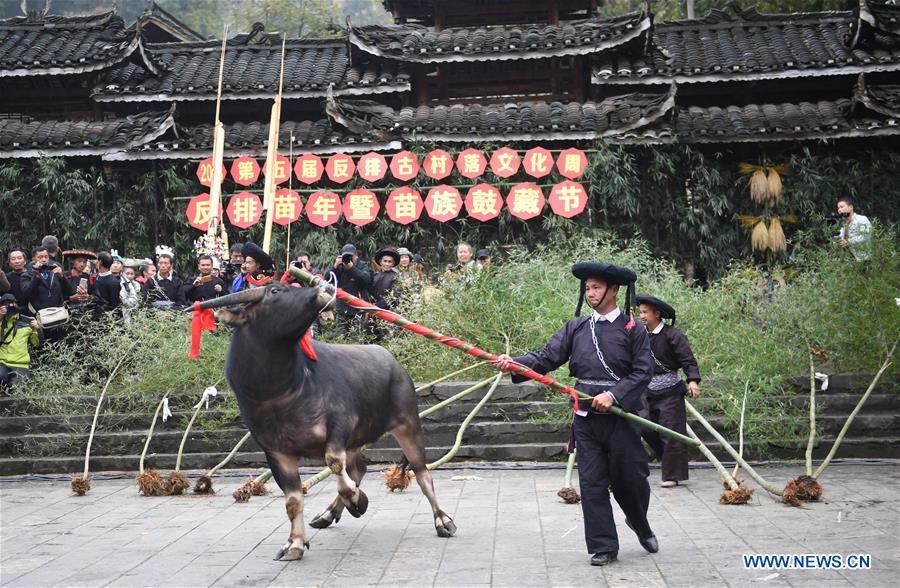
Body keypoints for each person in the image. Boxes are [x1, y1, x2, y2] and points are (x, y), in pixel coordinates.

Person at [494, 262, 656, 567]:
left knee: (631, 480)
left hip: (623, 417)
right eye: (588, 288)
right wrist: (514, 363)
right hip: (586, 417)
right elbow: (545, 357)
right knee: (592, 482)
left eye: (596, 287)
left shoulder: (633, 330)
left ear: (614, 290)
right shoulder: (577, 327)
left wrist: (614, 395)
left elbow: (642, 372)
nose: (590, 293)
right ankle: (603, 545)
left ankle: (640, 522)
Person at [636, 294, 701, 488]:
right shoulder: (640, 336)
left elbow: (688, 360)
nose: (642, 316)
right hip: (646, 391)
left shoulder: (674, 335)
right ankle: (670, 459)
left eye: (645, 312)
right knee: (644, 426)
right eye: (640, 312)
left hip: (670, 392)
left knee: (671, 432)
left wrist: (693, 381)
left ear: (657, 314)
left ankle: (672, 474)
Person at [0, 293, 41, 392]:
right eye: (6, 305)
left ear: (16, 304)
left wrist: (37, 329)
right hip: (2, 363)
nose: (9, 307)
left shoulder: (27, 321)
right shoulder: (1, 321)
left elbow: (36, 344)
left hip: (20, 364)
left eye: (11, 304)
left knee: (16, 390)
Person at [328, 244, 373, 329]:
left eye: (350, 256)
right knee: (340, 338)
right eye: (346, 256)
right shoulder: (340, 267)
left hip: (358, 309)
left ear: (356, 256)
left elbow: (366, 280)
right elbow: (327, 280)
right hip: (341, 309)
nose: (348, 259)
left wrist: (351, 267)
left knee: (356, 339)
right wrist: (335, 266)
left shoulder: (362, 265)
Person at [836, 196, 872, 261]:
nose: (839, 210)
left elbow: (865, 236)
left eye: (842, 207)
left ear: (851, 207)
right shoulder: (842, 224)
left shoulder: (861, 219)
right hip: (849, 261)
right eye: (838, 208)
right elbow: (840, 239)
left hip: (863, 259)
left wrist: (848, 242)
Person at [5, 248, 32, 313]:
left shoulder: (32, 275)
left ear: (25, 261)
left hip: (32, 311)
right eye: (13, 259)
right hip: (12, 312)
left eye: (19, 258)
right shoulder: (6, 278)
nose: (17, 261)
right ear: (9, 263)